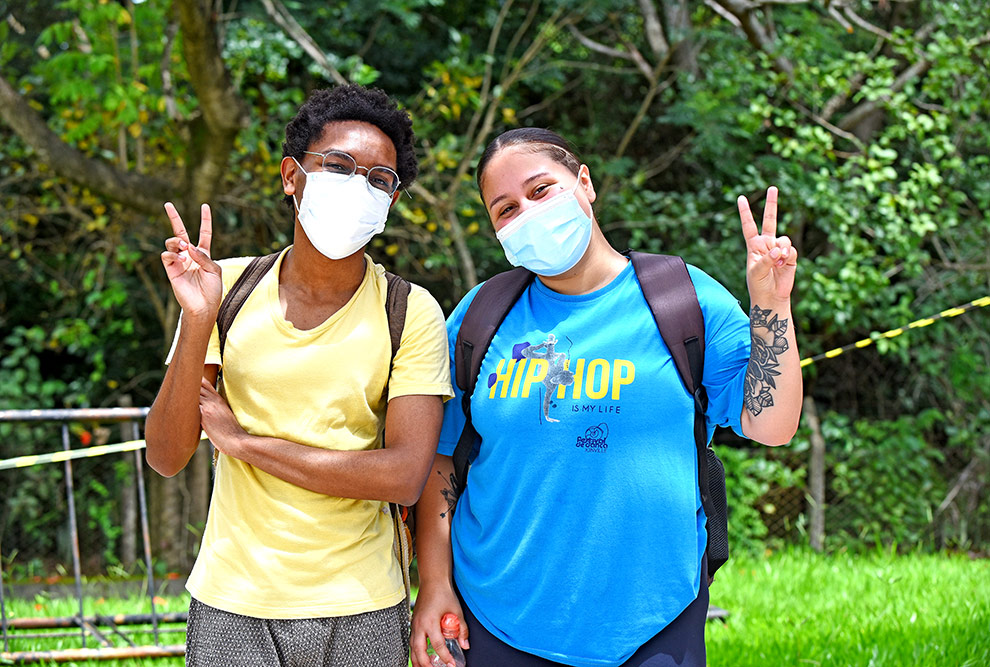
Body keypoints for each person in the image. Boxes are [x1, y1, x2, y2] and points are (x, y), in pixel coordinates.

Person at [410, 128, 802, 667]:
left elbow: (772, 425)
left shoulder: (682, 297)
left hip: (654, 623)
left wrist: (772, 305)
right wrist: (434, 584)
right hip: (499, 621)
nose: (527, 212)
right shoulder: (482, 316)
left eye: (540, 190)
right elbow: (438, 461)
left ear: (584, 182)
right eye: (505, 209)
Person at [144, 84, 453, 667]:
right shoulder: (226, 290)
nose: (358, 186)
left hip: (361, 603)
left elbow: (402, 476)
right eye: (338, 166)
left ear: (390, 200)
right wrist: (197, 318)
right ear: (292, 175)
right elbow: (165, 453)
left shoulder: (410, 311)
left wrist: (243, 444)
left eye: (379, 179)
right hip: (231, 600)